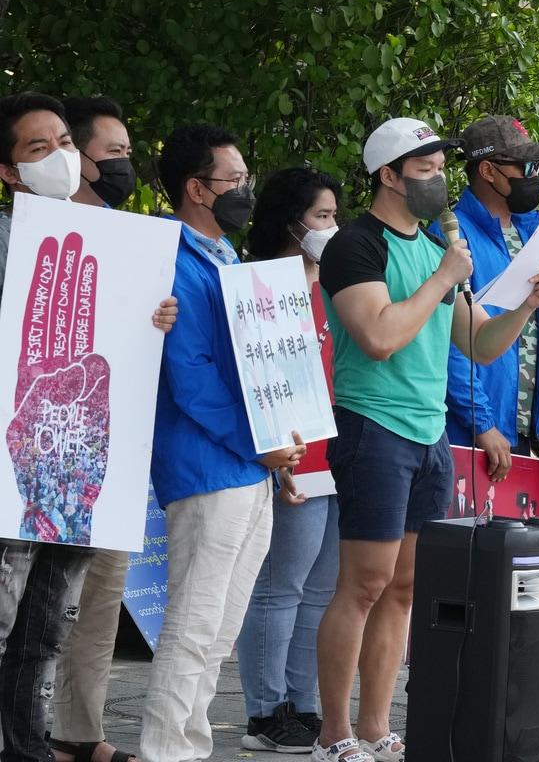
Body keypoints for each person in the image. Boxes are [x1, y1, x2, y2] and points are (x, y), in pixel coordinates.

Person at [312, 117, 539, 762]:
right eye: (423, 169)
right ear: (387, 175)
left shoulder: (429, 249)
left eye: (442, 167)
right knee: (362, 585)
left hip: (428, 435)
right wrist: (445, 277)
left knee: (403, 588)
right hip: (374, 424)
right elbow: (380, 336)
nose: (437, 179)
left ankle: (374, 726)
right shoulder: (355, 245)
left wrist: (527, 305)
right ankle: (332, 733)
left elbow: (477, 342)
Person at [0, 91, 175, 762]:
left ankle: (26, 746)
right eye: (37, 149)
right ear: (10, 173)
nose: (59, 159)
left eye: (65, 145)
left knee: (48, 622)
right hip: (17, 464)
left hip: (77, 466)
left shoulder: (121, 248)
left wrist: (152, 320)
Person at [140, 124, 306, 762]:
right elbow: (192, 379)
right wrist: (256, 444)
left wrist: (278, 451)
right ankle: (164, 750)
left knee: (220, 630)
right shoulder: (173, 262)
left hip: (250, 466)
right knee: (193, 623)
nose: (245, 191)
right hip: (207, 465)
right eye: (233, 181)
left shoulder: (228, 258)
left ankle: (190, 745)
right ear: (195, 189)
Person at [234, 168, 344, 753]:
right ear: (290, 222)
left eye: (334, 216)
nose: (333, 227)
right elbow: (256, 381)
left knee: (321, 592)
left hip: (337, 455)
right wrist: (276, 458)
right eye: (322, 217)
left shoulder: (336, 283)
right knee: (279, 588)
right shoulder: (257, 285)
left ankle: (303, 704)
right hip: (287, 455)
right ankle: (263, 711)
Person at [428, 115, 539, 482]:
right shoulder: (452, 235)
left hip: (523, 429)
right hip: (475, 434)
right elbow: (452, 344)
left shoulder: (529, 230)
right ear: (489, 171)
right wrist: (482, 424)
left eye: (536, 165)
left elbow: (535, 335)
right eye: (525, 166)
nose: (533, 175)